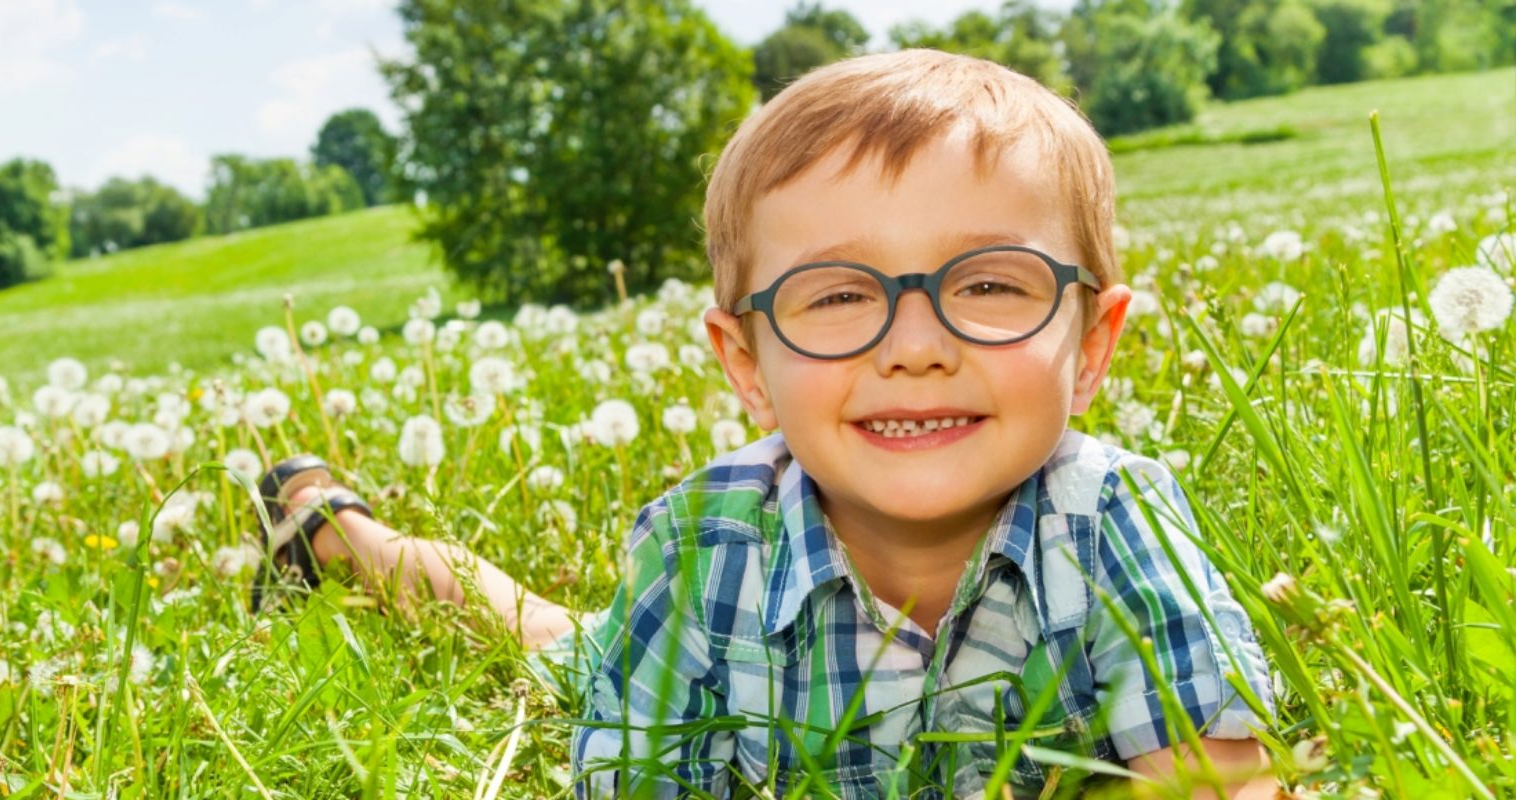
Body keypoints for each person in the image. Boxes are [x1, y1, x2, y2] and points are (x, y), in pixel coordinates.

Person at [248, 48, 1276, 799]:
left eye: (990, 282)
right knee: (530, 629)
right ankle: (332, 527)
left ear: (1090, 343)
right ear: (745, 363)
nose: (912, 344)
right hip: (658, 643)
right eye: (834, 296)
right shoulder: (699, 550)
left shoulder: (1108, 515)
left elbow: (1220, 783)